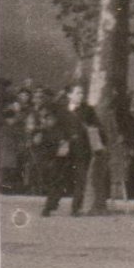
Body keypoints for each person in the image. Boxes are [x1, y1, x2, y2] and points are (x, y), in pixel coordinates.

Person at [41, 84, 100, 217]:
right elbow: (54, 127)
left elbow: (96, 127)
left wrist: (95, 142)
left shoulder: (88, 110)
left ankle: (75, 208)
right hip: (64, 149)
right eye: (78, 93)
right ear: (69, 95)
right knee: (58, 178)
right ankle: (50, 206)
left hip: (82, 150)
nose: (81, 96)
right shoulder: (60, 110)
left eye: (82, 93)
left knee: (80, 179)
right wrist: (61, 140)